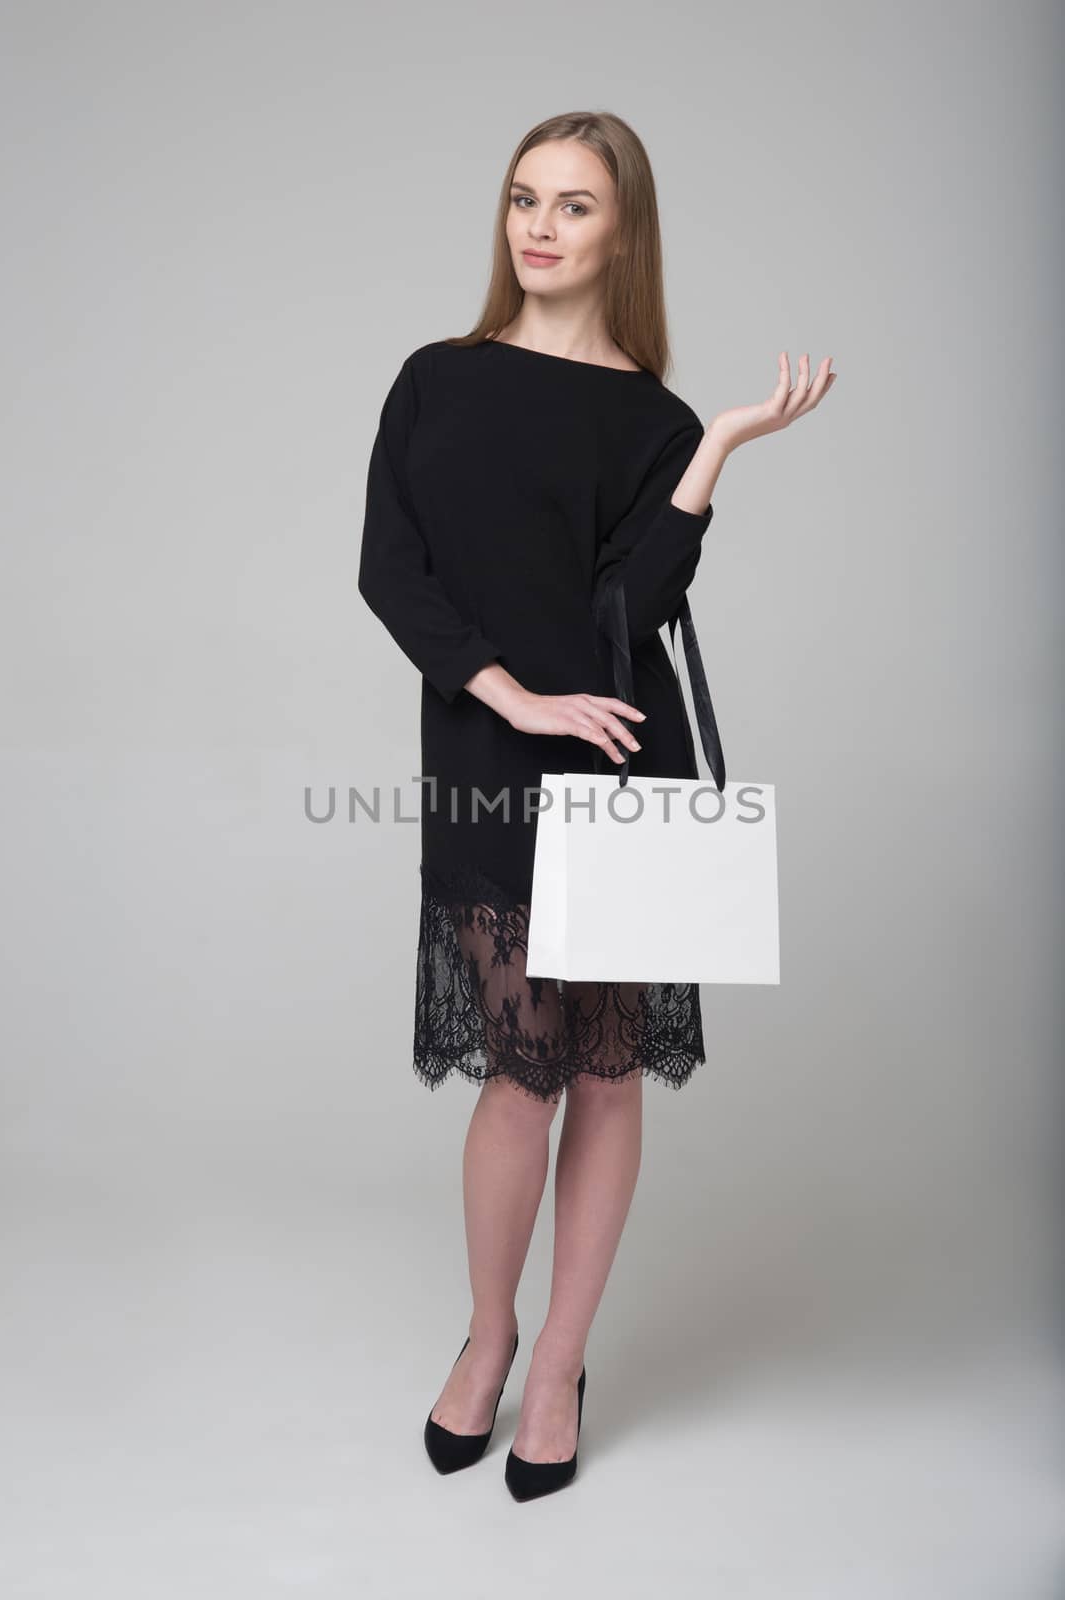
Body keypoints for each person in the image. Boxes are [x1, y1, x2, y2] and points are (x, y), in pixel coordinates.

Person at [357, 109, 836, 1501]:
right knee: (522, 1073)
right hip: (493, 753)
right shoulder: (435, 379)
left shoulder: (656, 418)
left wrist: (722, 445)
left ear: (623, 232)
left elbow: (634, 606)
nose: (542, 226)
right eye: (523, 198)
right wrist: (506, 696)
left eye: (574, 204)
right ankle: (490, 1335)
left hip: (622, 757)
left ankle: (562, 1359)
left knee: (609, 1074)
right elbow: (394, 571)